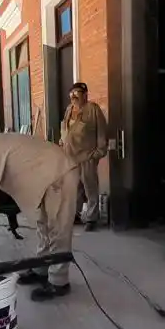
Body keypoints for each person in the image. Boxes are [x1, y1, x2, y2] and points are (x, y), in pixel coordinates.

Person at [0, 121, 78, 302]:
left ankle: (59, 282)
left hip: (59, 174)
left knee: (58, 229)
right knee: (43, 225)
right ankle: (42, 269)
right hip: (47, 176)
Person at [59, 82, 108, 231]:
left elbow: (101, 132)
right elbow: (66, 129)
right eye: (71, 93)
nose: (73, 96)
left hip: (87, 157)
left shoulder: (93, 110)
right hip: (70, 157)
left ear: (85, 94)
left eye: (77, 93)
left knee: (90, 188)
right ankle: (76, 214)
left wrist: (98, 153)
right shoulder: (69, 109)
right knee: (73, 187)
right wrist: (62, 140)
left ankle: (92, 219)